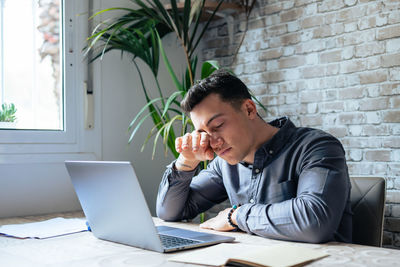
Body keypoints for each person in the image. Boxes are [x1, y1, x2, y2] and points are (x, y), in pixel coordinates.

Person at [156, 70, 352, 243]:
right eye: (204, 132)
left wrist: (237, 215)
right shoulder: (225, 165)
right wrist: (187, 162)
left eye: (218, 126)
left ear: (249, 109)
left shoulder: (316, 147)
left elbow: (314, 221)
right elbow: (170, 212)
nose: (213, 142)